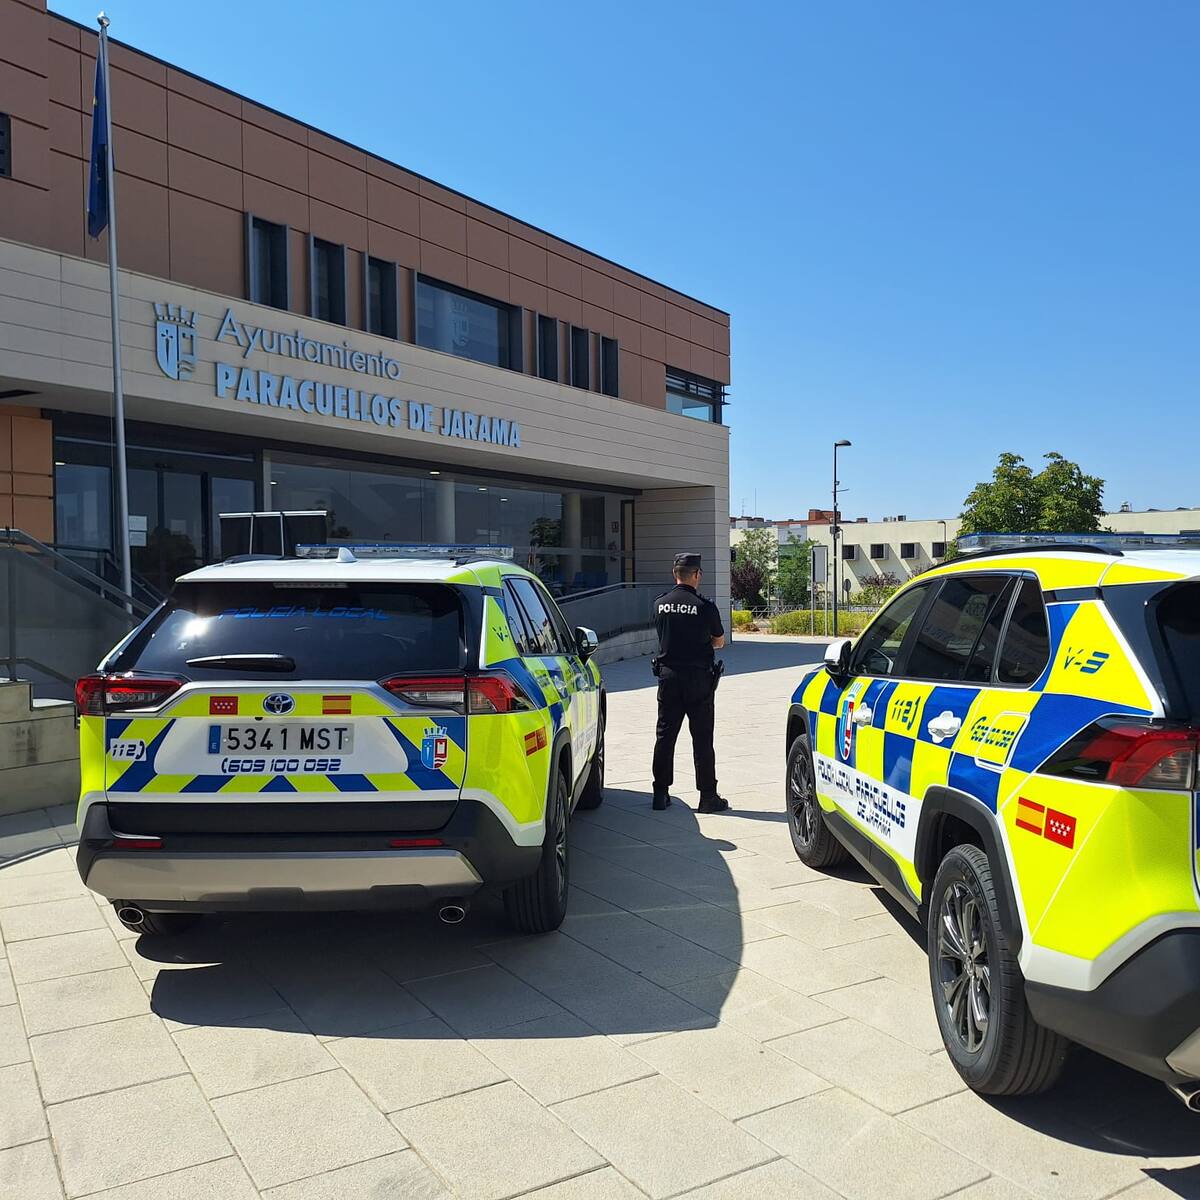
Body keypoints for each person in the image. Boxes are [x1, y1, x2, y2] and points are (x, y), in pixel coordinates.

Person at [650, 553, 730, 813]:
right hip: (698, 680)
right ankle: (707, 797)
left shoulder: (660, 604)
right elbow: (719, 641)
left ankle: (660, 793)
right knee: (702, 739)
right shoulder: (705, 607)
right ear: (696, 574)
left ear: (675, 574)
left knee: (665, 736)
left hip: (668, 677)